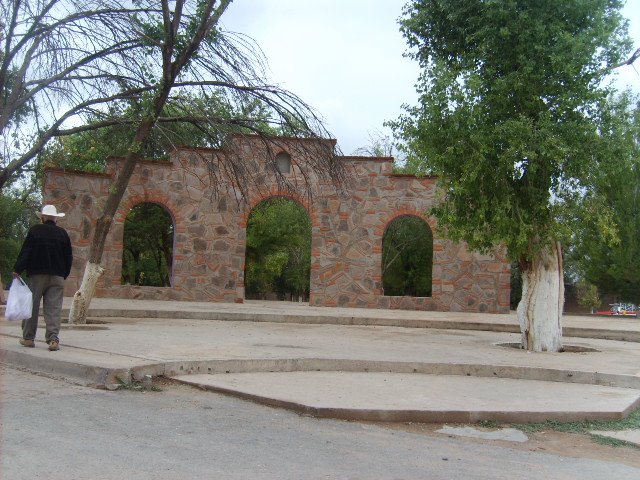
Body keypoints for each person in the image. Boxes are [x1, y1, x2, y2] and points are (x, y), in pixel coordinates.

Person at [13, 204, 73, 351]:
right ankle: (53, 339)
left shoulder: (35, 231)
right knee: (53, 308)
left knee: (32, 306)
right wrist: (64, 273)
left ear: (42, 217)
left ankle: (28, 338)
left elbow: (26, 251)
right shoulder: (62, 234)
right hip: (57, 276)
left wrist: (18, 269)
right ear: (56, 218)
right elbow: (69, 257)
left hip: (37, 275)